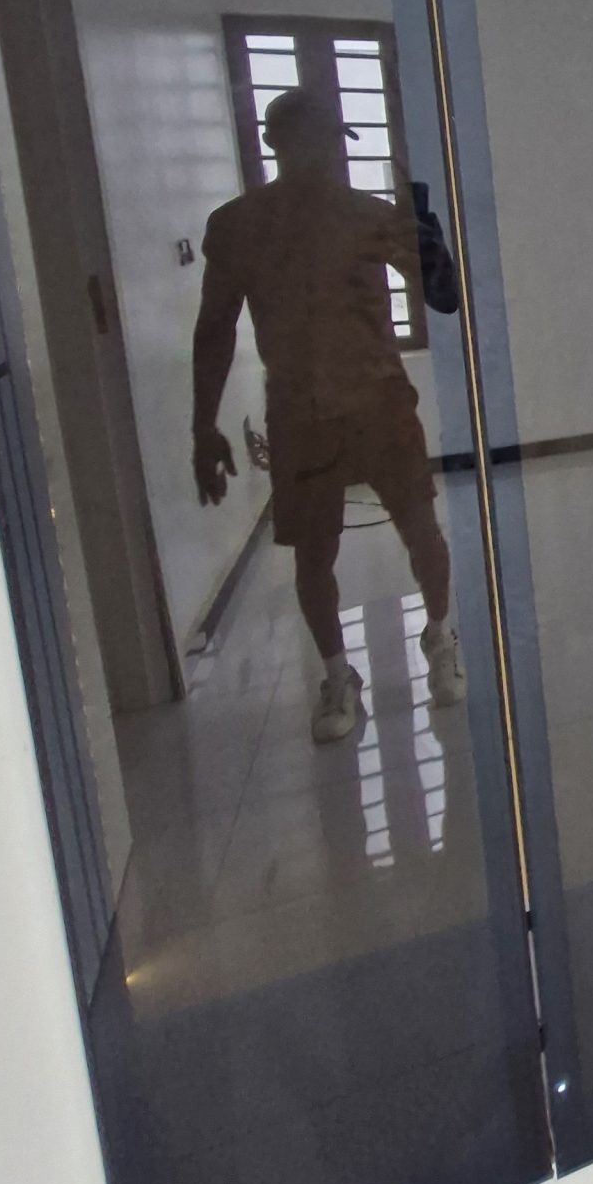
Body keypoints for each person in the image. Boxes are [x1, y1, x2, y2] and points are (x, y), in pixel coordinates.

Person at [192, 83, 467, 743]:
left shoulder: (369, 216)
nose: (325, 154)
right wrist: (203, 425)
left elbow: (444, 295)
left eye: (330, 141)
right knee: (313, 553)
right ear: (277, 144)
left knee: (421, 529)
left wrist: (424, 226)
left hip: (379, 399)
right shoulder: (238, 226)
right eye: (313, 140)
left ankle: (440, 635)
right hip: (299, 410)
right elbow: (215, 328)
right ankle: (338, 673)